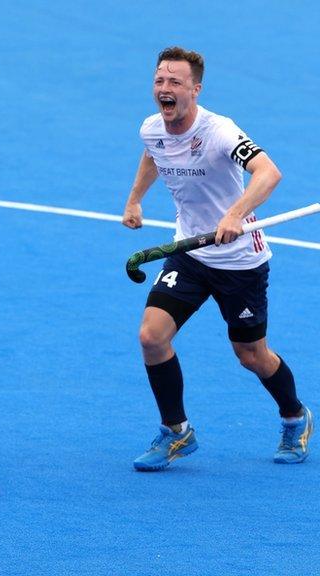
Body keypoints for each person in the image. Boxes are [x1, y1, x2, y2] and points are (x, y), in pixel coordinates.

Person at [122, 47, 312, 472]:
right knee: (152, 337)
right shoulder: (152, 129)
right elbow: (154, 154)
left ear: (195, 88)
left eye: (174, 82)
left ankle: (294, 416)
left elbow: (269, 173)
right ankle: (176, 431)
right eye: (159, 81)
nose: (164, 89)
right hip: (190, 252)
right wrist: (135, 199)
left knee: (251, 355)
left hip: (240, 261)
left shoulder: (221, 131)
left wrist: (234, 214)